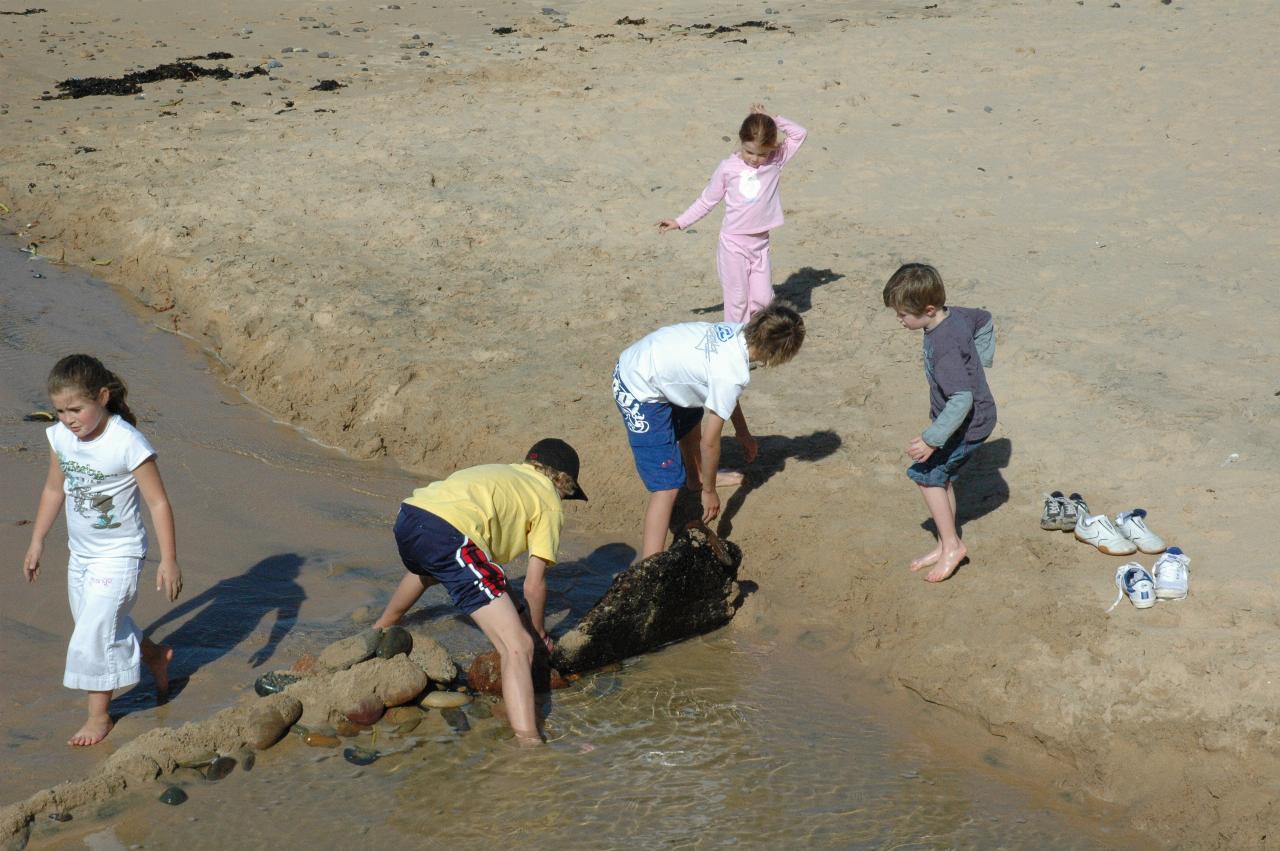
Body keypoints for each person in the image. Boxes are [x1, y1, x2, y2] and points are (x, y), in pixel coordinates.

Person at [373, 438, 587, 744]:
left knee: (432, 569)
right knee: (518, 647)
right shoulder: (548, 500)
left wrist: (521, 615)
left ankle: (382, 626)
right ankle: (528, 742)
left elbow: (494, 581)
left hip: (410, 519)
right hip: (451, 536)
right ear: (564, 484)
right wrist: (537, 634)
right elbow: (533, 584)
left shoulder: (504, 474)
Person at [22, 354, 182, 746]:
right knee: (98, 624)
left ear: (103, 397)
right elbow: (53, 489)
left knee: (94, 632)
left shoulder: (127, 442)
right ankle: (155, 656)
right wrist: (37, 540)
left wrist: (170, 560)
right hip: (81, 554)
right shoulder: (60, 437)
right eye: (60, 410)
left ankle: (98, 717)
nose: (68, 419)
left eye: (76, 409)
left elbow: (158, 502)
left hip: (121, 554)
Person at [613, 300, 805, 559]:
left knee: (692, 415)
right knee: (667, 485)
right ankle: (650, 564)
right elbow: (710, 443)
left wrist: (743, 432)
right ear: (776, 356)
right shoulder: (732, 372)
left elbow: (724, 395)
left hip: (654, 366)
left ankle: (696, 478)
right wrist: (710, 493)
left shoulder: (738, 333)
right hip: (636, 387)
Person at [882, 264, 997, 583]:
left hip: (968, 424)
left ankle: (952, 546)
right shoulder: (955, 315)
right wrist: (980, 360)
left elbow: (962, 400)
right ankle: (944, 542)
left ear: (928, 309)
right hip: (967, 419)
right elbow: (984, 319)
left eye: (903, 314)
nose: (900, 320)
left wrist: (932, 439)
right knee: (940, 476)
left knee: (927, 475)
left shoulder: (943, 345)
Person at [658, 103, 807, 322]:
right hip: (733, 244)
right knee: (737, 299)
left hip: (760, 243)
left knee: (764, 300)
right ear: (741, 141)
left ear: (771, 149)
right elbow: (707, 201)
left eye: (762, 154)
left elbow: (799, 134)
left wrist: (772, 118)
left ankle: (752, 336)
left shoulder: (776, 160)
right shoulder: (728, 168)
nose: (755, 159)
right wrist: (680, 222)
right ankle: (734, 341)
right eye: (749, 152)